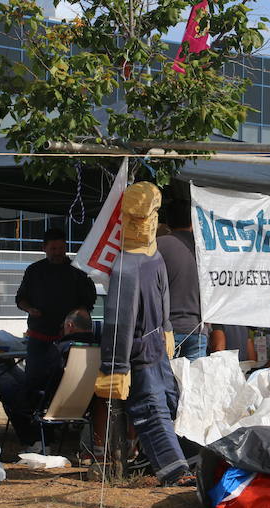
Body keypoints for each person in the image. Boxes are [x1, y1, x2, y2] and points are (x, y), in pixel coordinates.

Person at [94, 182, 193, 487]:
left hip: (142, 348)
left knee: (154, 409)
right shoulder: (150, 257)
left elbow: (119, 324)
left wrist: (116, 367)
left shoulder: (130, 264)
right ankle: (185, 463)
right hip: (152, 345)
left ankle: (178, 470)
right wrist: (165, 330)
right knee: (164, 404)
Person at [16, 228, 96, 398]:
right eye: (53, 249)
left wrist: (75, 314)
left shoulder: (77, 271)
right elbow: (20, 299)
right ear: (44, 248)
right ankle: (33, 420)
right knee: (33, 384)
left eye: (61, 248)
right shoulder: (34, 270)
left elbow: (89, 302)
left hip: (68, 340)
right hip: (38, 339)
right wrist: (30, 309)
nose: (58, 253)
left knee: (65, 386)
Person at [4, 308, 97, 453]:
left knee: (9, 391)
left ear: (70, 326)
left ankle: (34, 441)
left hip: (54, 404)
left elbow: (47, 377)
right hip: (85, 406)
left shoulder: (62, 349)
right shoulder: (96, 349)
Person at [157, 200, 205, 360]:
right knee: (192, 384)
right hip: (198, 329)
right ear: (193, 221)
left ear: (168, 221)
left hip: (166, 330)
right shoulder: (204, 249)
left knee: (163, 382)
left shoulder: (157, 246)